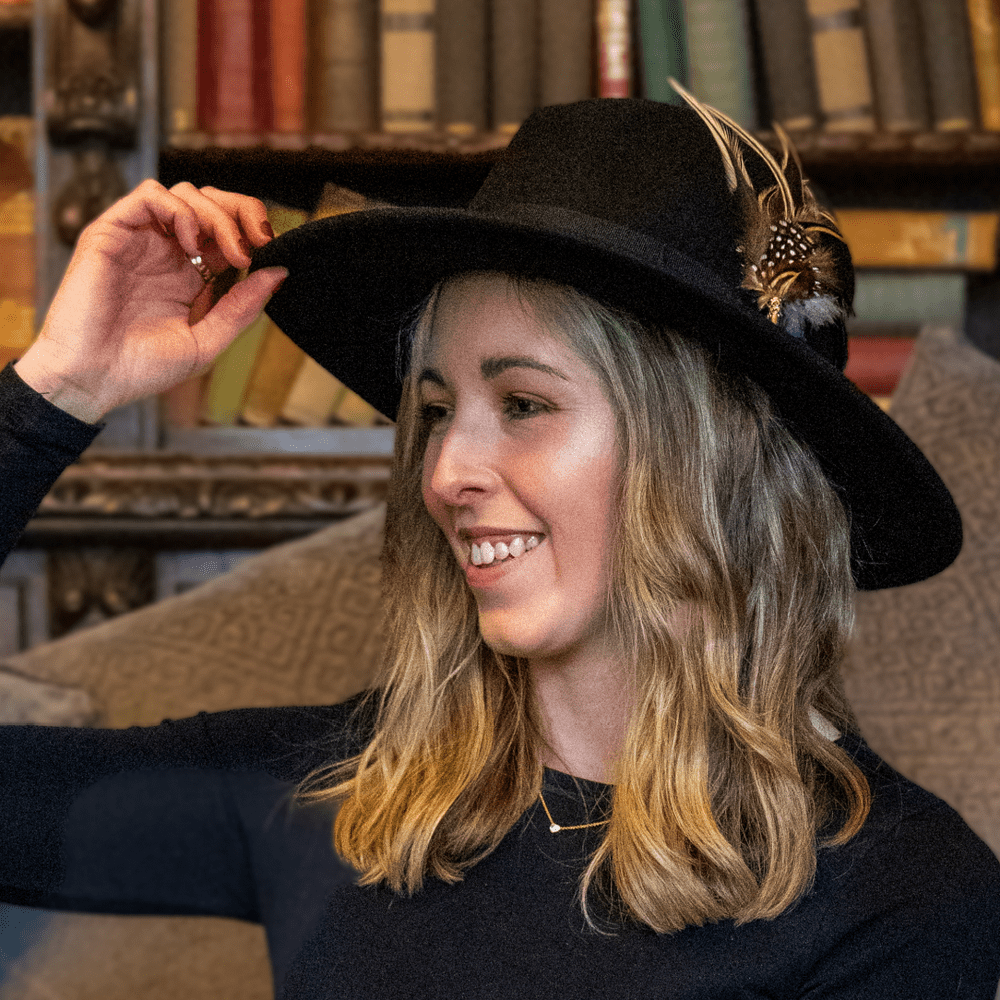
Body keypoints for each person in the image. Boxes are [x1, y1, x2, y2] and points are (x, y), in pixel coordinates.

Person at [1, 94, 999, 999]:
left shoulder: (901, 894)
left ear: (712, 459)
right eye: (436, 410)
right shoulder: (335, 791)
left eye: (523, 403)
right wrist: (53, 394)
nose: (443, 474)